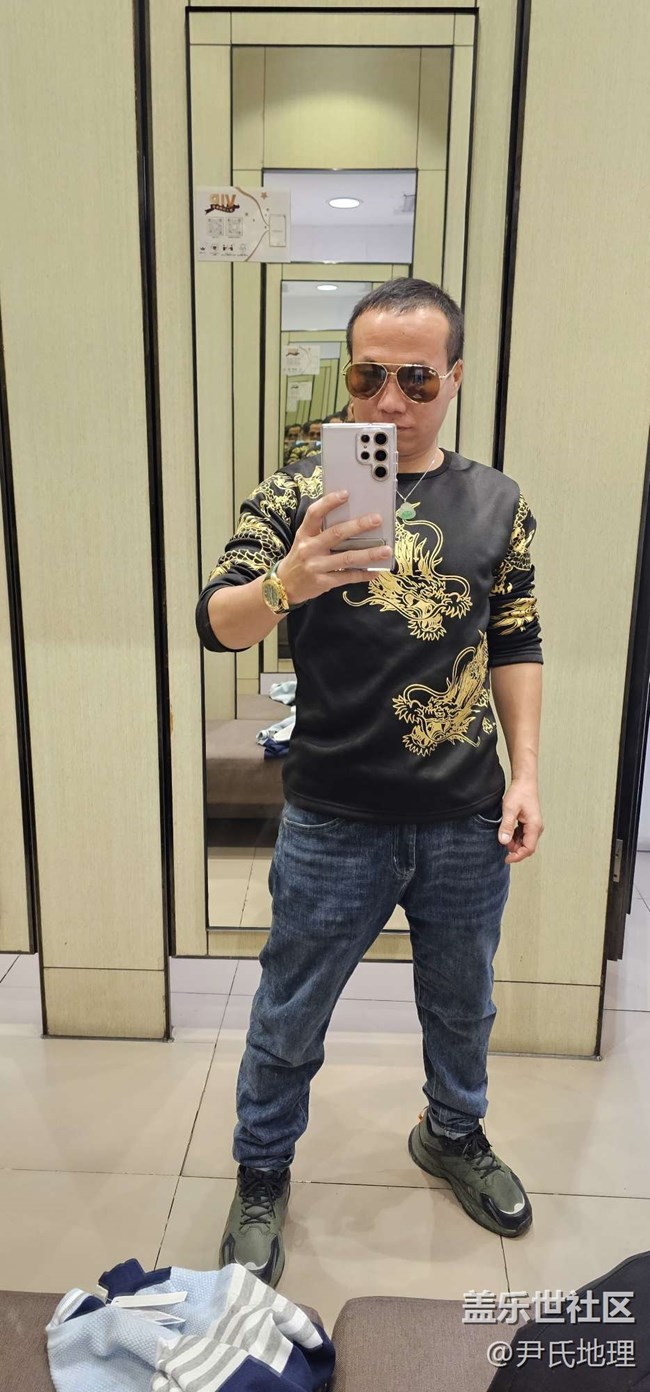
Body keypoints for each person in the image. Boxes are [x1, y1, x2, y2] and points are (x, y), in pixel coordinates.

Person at [195, 277, 544, 1289]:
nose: (388, 401)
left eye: (415, 379)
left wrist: (526, 775)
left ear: (454, 378)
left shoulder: (498, 503)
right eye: (366, 377)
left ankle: (452, 1133)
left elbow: (516, 640)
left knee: (462, 1004)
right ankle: (262, 1172)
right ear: (346, 380)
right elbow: (216, 620)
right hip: (333, 815)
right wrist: (288, 580)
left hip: (464, 814)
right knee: (288, 1014)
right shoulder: (296, 494)